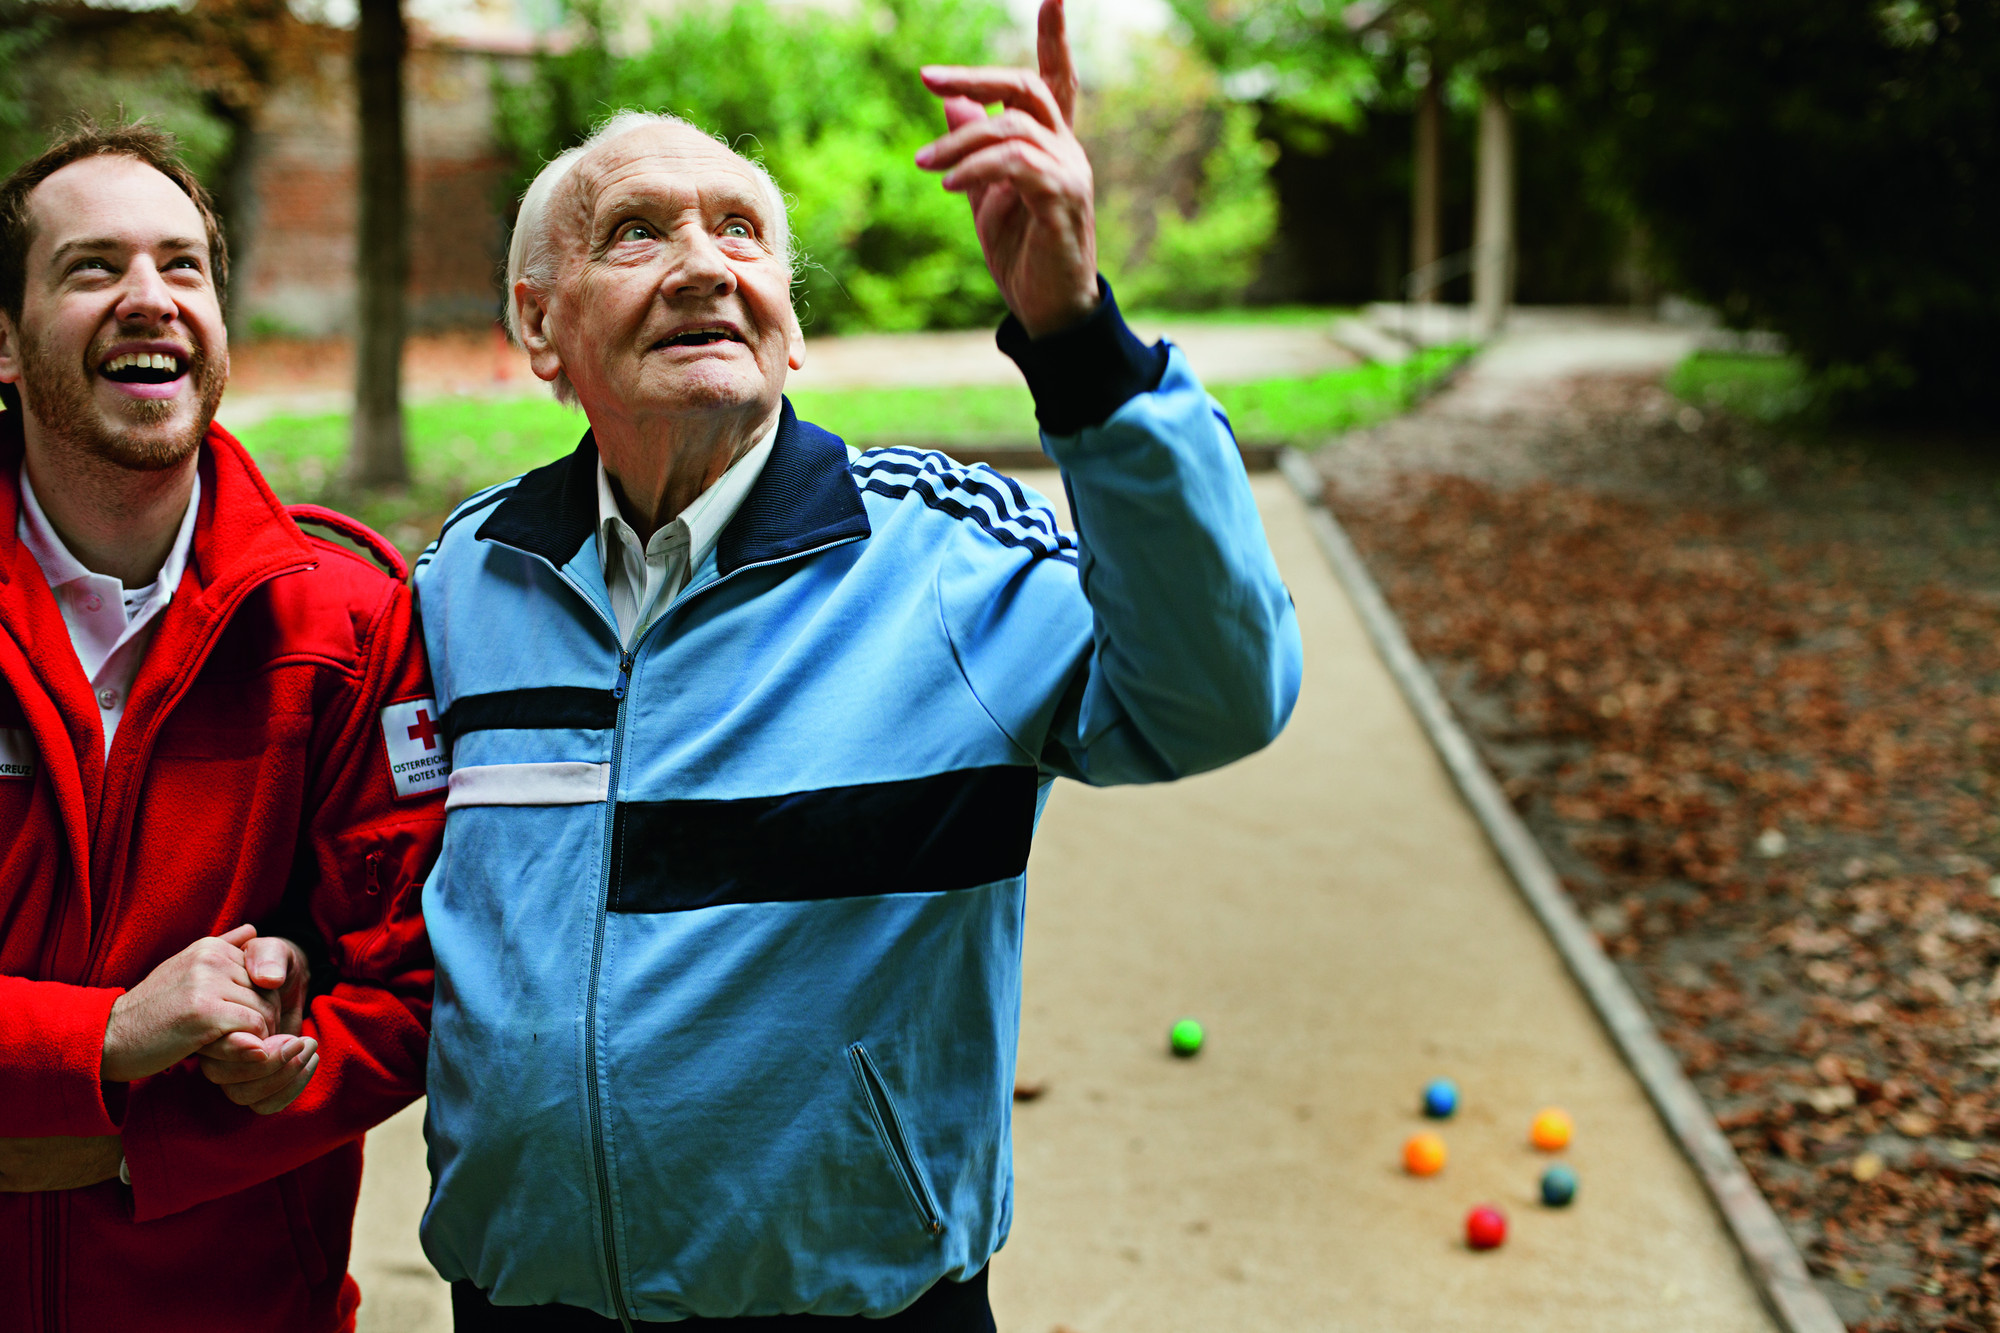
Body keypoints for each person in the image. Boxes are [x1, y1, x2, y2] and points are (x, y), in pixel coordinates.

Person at [413, 2, 1303, 1326]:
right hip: (524, 1303)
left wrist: (1076, 337)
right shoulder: (466, 581)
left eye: (743, 231)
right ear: (539, 329)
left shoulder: (942, 560)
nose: (705, 265)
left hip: (864, 1304)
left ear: (790, 329)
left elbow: (1216, 699)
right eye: (636, 229)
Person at [0, 121, 445, 1331]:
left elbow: (408, 985)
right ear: (2, 336)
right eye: (92, 267)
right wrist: (110, 1036)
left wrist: (127, 1145)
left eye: (183, 265)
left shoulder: (346, 618)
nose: (150, 298)